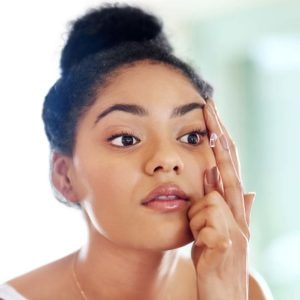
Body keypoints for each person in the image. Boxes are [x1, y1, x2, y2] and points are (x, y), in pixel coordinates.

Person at [0, 3, 271, 299]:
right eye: (126, 139)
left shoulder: (246, 289)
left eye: (192, 136)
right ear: (65, 176)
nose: (168, 160)